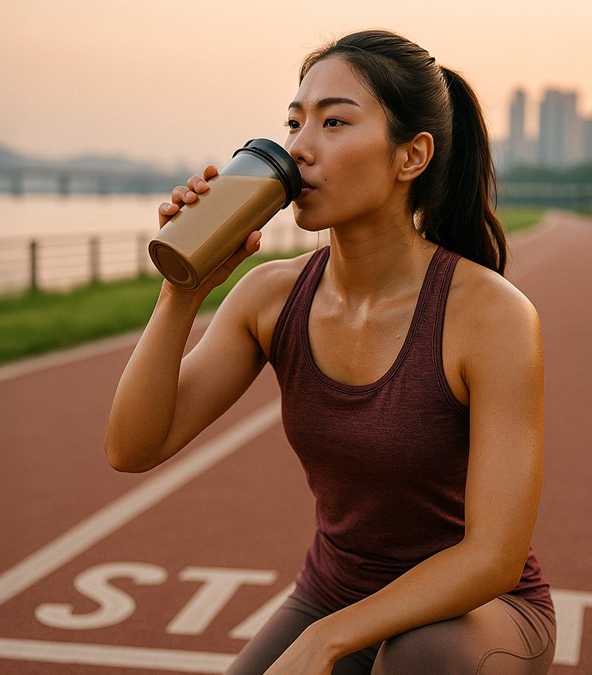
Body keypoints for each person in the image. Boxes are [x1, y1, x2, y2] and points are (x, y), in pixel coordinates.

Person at [105, 29, 553, 675]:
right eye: (295, 122)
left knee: (422, 657)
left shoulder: (492, 316)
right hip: (333, 592)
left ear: (411, 156)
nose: (299, 148)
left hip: (478, 611)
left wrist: (329, 640)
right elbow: (132, 448)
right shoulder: (271, 297)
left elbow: (493, 557)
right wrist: (182, 290)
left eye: (334, 122)